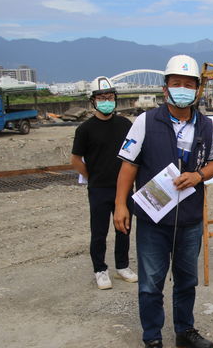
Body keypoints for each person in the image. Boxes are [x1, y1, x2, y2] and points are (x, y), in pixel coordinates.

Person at [113, 55, 213, 348]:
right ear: (166, 89)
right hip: (152, 220)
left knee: (187, 281)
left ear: (197, 90)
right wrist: (121, 205)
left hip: (189, 220)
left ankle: (185, 332)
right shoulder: (145, 122)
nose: (183, 89)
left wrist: (198, 176)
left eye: (189, 84)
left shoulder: (206, 125)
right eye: (177, 84)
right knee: (151, 284)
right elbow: (128, 166)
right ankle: (152, 337)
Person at [70, 76, 138, 290]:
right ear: (93, 100)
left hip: (124, 187)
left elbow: (134, 153)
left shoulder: (125, 124)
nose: (106, 100)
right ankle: (100, 269)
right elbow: (76, 160)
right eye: (101, 97)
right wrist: (93, 176)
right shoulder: (85, 129)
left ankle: (122, 266)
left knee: (124, 228)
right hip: (99, 188)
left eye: (109, 97)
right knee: (99, 231)